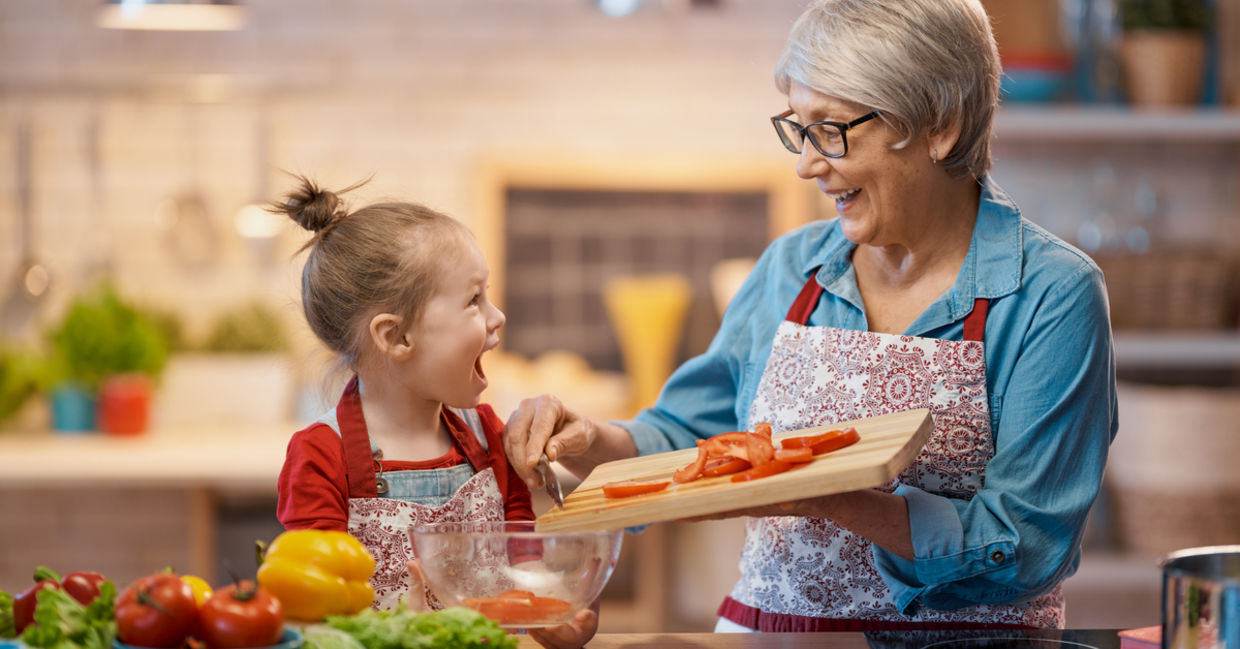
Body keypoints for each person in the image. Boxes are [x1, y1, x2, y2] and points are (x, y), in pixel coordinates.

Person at [504, 0, 1116, 633]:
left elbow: (1029, 542)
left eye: (833, 128)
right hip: (769, 635)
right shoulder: (790, 268)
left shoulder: (1051, 294)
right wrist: (588, 440)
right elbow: (689, 438)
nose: (806, 163)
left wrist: (839, 501)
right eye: (799, 127)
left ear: (942, 125)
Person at [274, 176, 597, 649]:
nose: (497, 315)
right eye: (473, 300)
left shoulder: (487, 435)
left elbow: (518, 548)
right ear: (396, 337)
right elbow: (312, 612)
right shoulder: (322, 456)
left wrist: (548, 607)